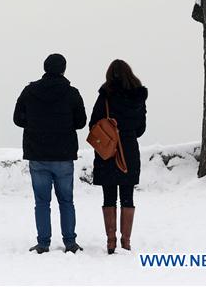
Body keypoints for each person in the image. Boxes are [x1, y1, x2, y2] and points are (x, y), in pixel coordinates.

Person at [13, 53, 87, 254]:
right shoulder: (71, 93)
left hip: (37, 153)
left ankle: (43, 243)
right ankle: (70, 242)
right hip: (63, 154)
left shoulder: (29, 91)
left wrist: (35, 123)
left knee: (42, 202)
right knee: (66, 201)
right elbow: (81, 122)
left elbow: (17, 119)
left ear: (45, 68)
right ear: (63, 69)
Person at [89, 59, 148, 254]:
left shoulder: (105, 96)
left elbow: (93, 125)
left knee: (109, 196)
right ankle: (127, 241)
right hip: (129, 149)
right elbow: (141, 129)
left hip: (108, 151)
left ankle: (111, 241)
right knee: (127, 196)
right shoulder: (138, 98)